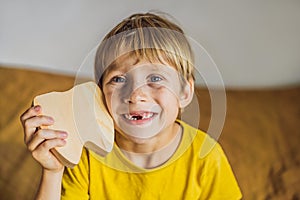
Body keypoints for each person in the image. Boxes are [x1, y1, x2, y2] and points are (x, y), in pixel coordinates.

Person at [20, 12, 242, 199]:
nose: (135, 96)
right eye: (118, 79)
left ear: (184, 92)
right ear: (100, 95)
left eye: (155, 78)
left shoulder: (206, 156)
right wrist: (52, 171)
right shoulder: (85, 155)